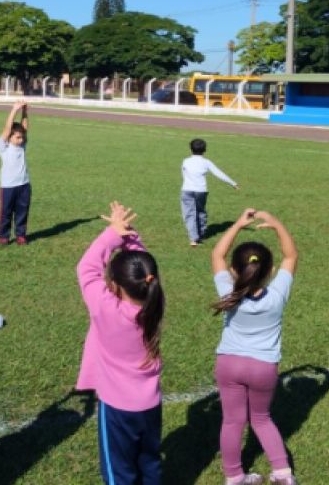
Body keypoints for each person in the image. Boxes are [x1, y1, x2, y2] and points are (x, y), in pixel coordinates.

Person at [76, 201, 165, 484]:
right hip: (150, 404)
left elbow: (86, 268)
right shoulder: (154, 304)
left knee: (119, 471)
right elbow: (141, 266)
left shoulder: (106, 309)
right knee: (149, 463)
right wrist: (128, 236)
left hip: (117, 407)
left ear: (113, 285)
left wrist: (112, 234)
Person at [210, 208, 299, 485]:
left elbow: (217, 255)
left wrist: (238, 224)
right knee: (261, 418)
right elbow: (291, 256)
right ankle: (283, 474)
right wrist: (277, 224)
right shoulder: (277, 294)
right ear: (270, 271)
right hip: (263, 367)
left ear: (233, 271)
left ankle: (234, 476)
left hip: (229, 364)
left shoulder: (229, 292)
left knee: (232, 421)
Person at [181, 138, 239, 247]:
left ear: (190, 149)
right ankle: (201, 233)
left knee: (189, 214)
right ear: (204, 150)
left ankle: (193, 239)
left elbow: (184, 174)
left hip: (187, 190)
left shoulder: (185, 161)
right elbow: (218, 173)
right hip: (201, 190)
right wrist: (233, 183)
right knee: (201, 212)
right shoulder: (206, 162)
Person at [0, 101, 31, 245]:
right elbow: (7, 129)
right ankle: (4, 236)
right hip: (8, 186)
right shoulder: (3, 147)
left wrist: (25, 112)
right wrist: (14, 110)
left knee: (22, 211)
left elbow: (25, 128)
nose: (21, 140)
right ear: (9, 137)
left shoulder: (22, 146)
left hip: (24, 184)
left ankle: (20, 235)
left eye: (22, 137)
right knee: (6, 212)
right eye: (17, 137)